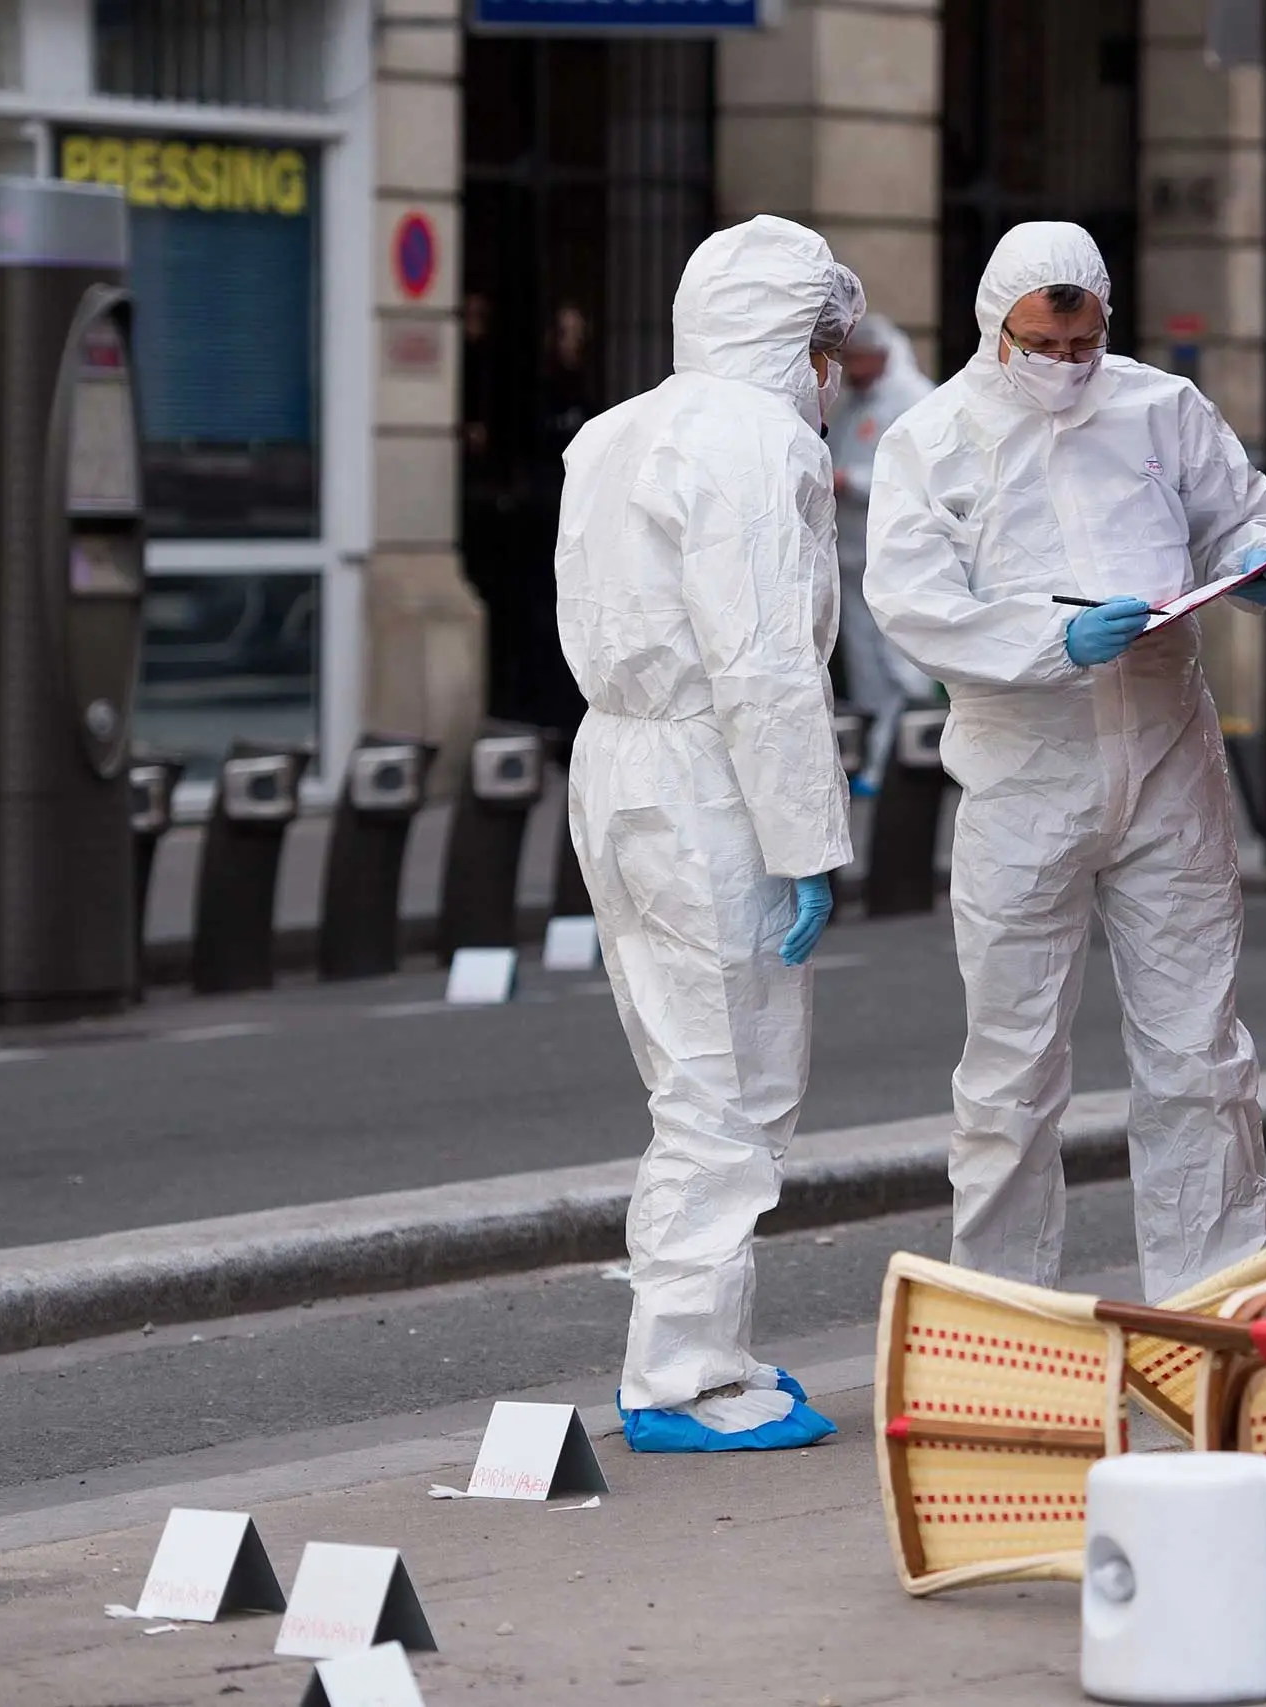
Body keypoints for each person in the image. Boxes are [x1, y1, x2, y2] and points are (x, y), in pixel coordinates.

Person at [863, 221, 1266, 1304]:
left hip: (1166, 756)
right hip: (1023, 770)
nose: (1063, 368)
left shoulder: (1161, 407)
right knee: (1011, 1071)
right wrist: (1049, 645)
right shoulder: (933, 439)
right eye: (1039, 345)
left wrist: (1253, 561)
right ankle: (1004, 1325)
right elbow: (912, 605)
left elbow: (1240, 517)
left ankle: (1213, 1306)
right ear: (992, 327)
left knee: (1199, 1053)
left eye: (1082, 344)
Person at [553, 215, 864, 1452]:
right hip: (708, 776)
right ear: (796, 338)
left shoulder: (611, 430)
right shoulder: (758, 441)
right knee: (728, 1091)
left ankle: (704, 1342)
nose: (834, 369)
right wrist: (807, 844)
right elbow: (763, 663)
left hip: (614, 758)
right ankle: (680, 1375)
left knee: (684, 1067)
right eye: (827, 343)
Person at [827, 312, 939, 793]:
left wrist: (848, 481)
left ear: (880, 354)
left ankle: (908, 762)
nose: (849, 368)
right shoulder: (855, 402)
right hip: (854, 555)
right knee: (865, 663)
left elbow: (920, 481)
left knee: (900, 664)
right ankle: (875, 763)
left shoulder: (914, 400)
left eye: (856, 358)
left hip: (896, 558)